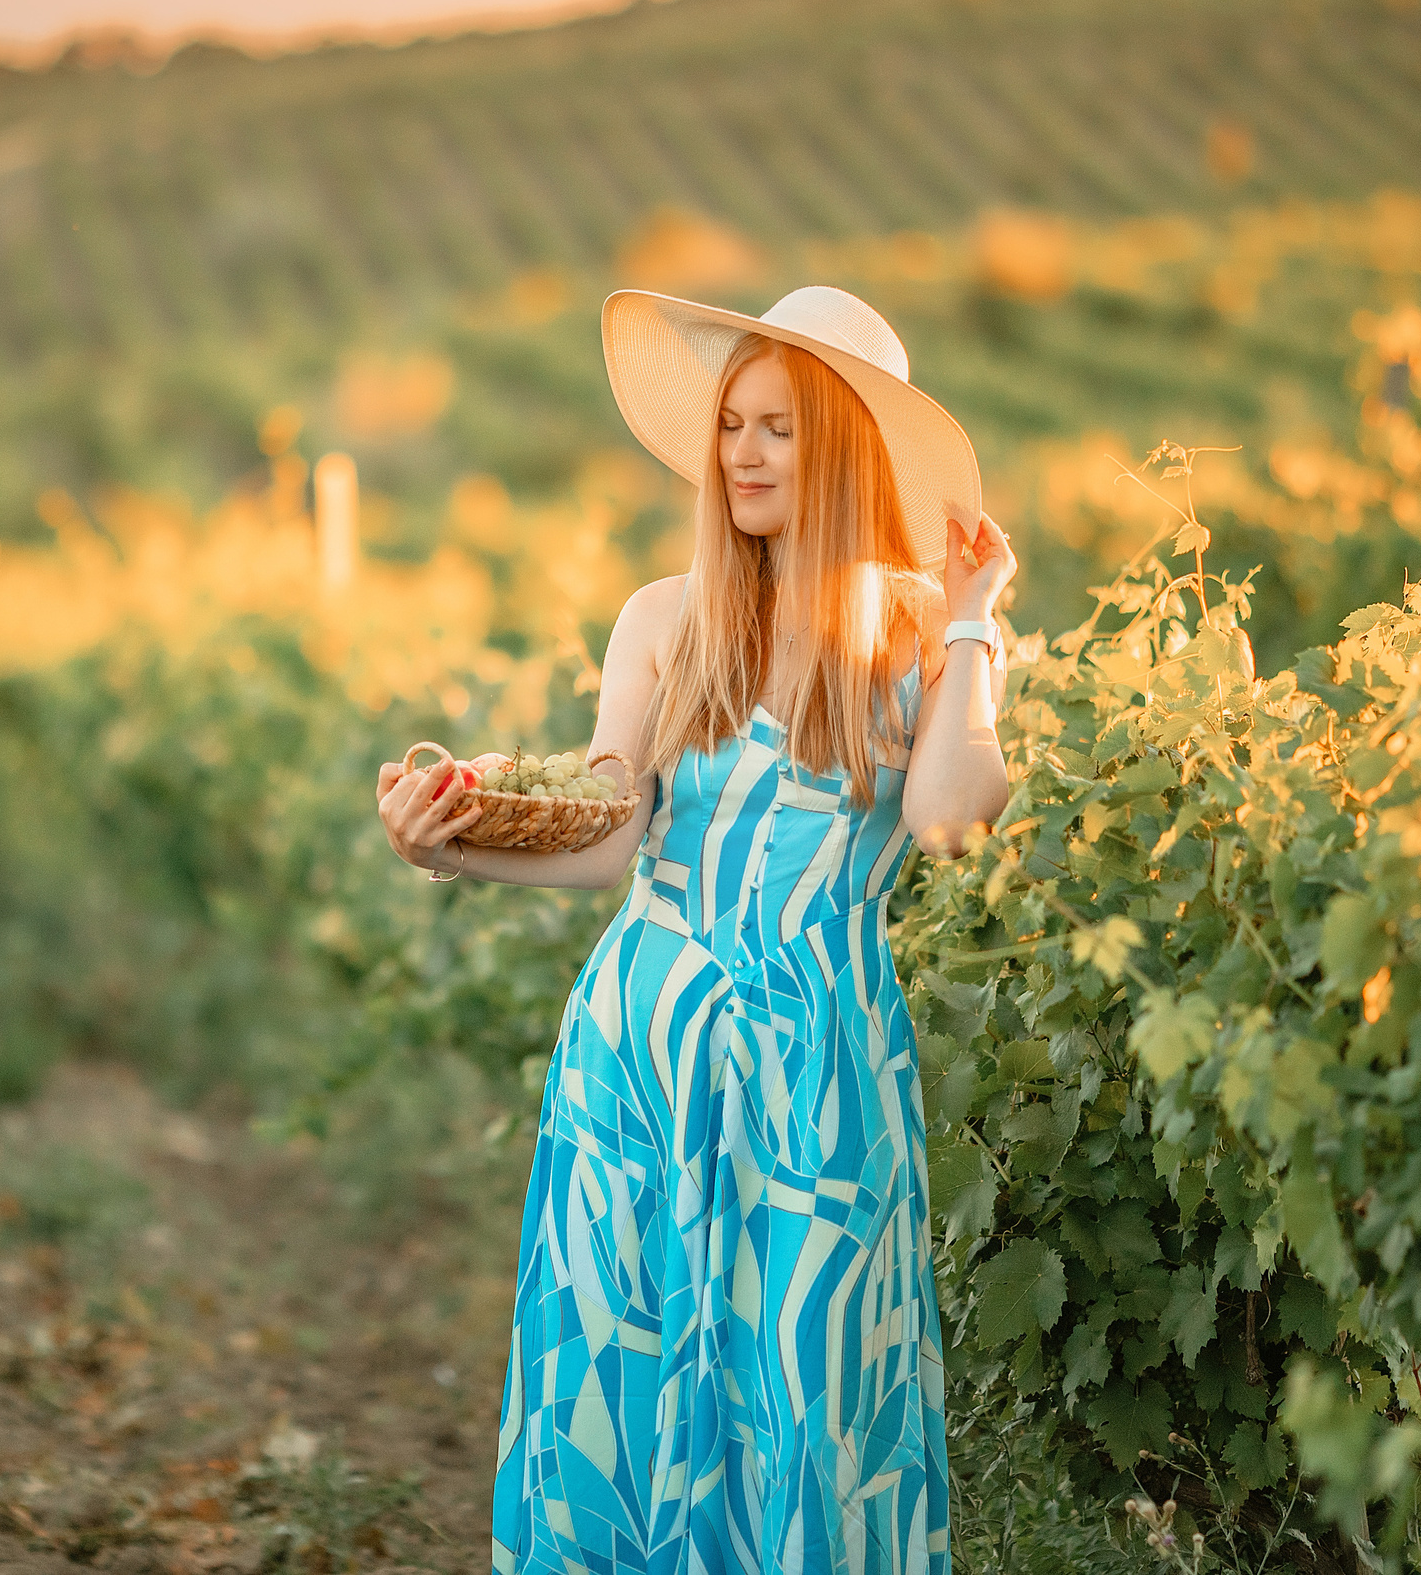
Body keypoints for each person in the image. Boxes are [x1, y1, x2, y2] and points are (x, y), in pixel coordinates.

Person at [375, 285, 1014, 1575]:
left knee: (809, 1401)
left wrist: (975, 611)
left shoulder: (924, 644)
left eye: (779, 428)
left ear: (844, 452)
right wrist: (457, 844)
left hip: (821, 1070)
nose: (742, 455)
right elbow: (613, 832)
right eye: (733, 425)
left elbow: (950, 818)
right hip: (645, 1050)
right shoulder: (667, 620)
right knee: (625, 1378)